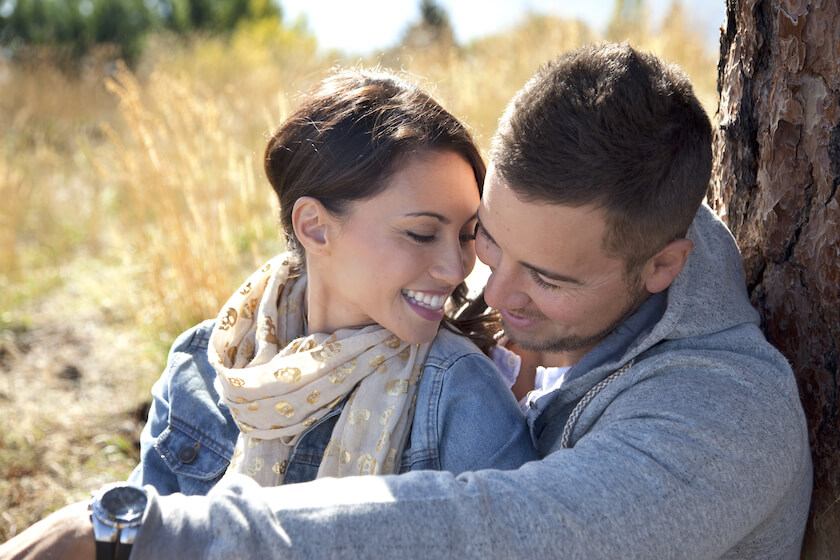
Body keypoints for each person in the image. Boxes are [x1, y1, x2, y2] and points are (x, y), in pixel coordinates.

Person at [1, 43, 811, 560]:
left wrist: (154, 533)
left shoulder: (723, 418)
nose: (489, 287)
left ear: (664, 264)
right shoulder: (218, 354)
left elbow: (491, 528)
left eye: (551, 279)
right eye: (491, 239)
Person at [126, 69, 536, 497]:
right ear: (315, 227)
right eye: (421, 234)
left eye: (467, 234)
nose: (456, 269)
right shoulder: (203, 366)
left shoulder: (461, 394)